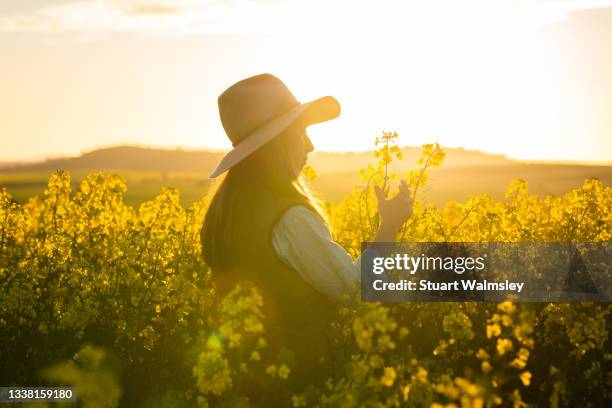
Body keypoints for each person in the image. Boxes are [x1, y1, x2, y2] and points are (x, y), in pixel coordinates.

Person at [200, 73, 413, 402]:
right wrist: (389, 226)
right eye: (300, 132)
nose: (310, 145)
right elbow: (354, 292)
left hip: (244, 384)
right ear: (277, 143)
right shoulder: (290, 218)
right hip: (299, 386)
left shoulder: (223, 212)